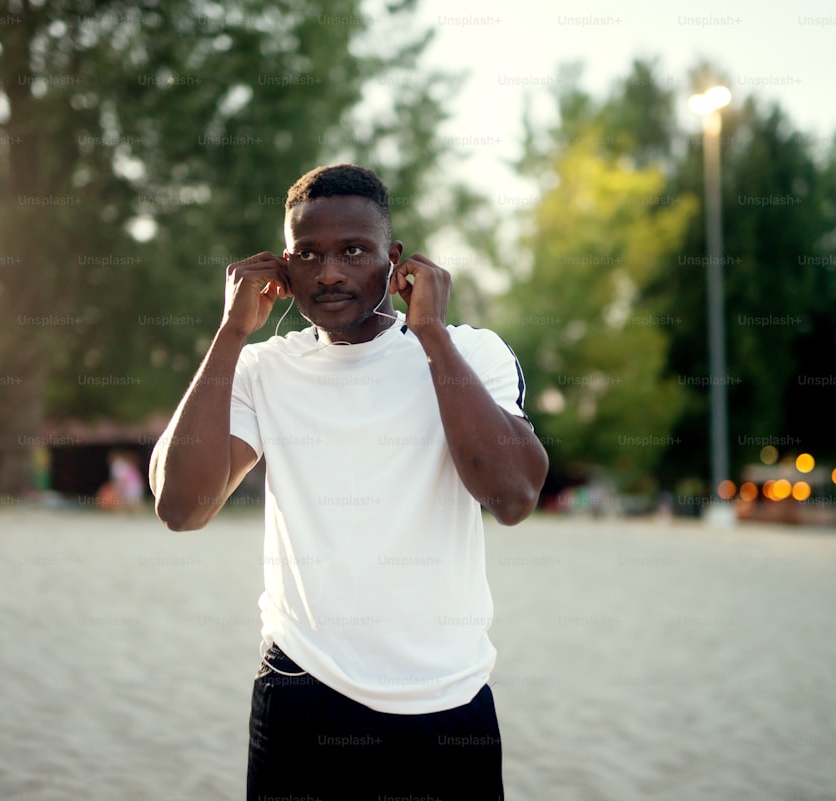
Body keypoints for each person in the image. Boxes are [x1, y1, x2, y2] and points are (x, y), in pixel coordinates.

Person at [149, 164, 548, 799]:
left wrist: (434, 339)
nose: (329, 271)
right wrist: (230, 332)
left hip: (447, 702)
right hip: (300, 691)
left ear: (395, 263)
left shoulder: (473, 352)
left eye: (353, 251)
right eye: (307, 254)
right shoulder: (261, 369)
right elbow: (182, 506)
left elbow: (512, 497)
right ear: (284, 268)